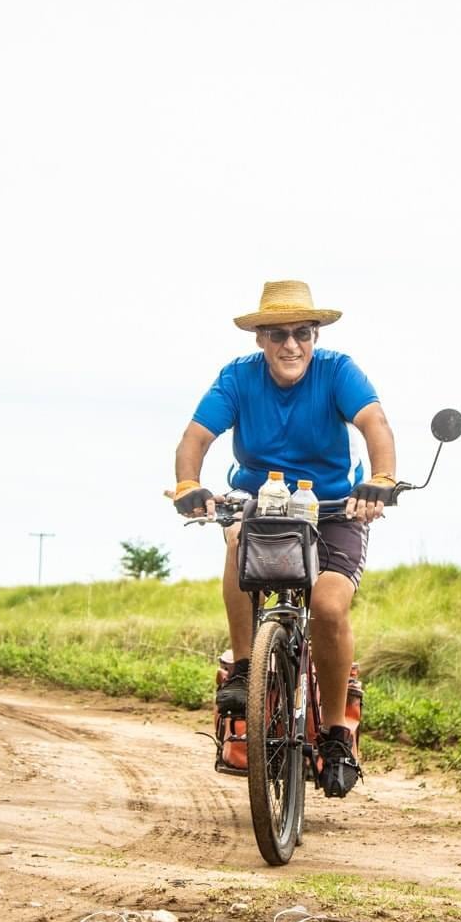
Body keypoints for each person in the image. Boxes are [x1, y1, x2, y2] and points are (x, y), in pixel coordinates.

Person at [172, 280, 396, 798]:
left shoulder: (338, 371)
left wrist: (380, 482)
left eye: (302, 333)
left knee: (329, 606)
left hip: (337, 505)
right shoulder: (238, 377)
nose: (290, 345)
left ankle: (338, 732)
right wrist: (189, 485)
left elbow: (375, 423)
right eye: (277, 334)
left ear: (315, 336)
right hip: (261, 501)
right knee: (235, 539)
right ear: (260, 340)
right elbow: (195, 439)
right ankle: (245, 670)